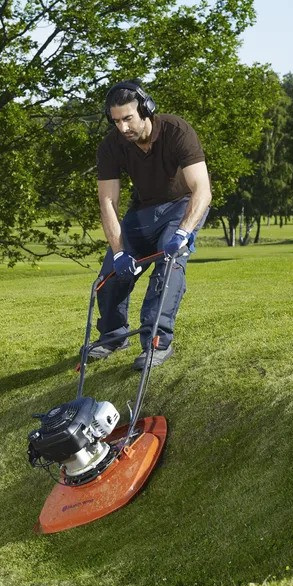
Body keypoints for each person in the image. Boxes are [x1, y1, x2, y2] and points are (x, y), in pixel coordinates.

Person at [89, 80, 212, 369]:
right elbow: (107, 202)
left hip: (183, 205)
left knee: (168, 266)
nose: (122, 128)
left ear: (146, 109)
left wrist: (183, 232)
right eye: (116, 121)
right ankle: (113, 336)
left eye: (128, 119)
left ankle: (157, 342)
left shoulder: (176, 131)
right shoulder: (112, 146)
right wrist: (119, 252)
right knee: (109, 277)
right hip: (143, 211)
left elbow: (202, 191)